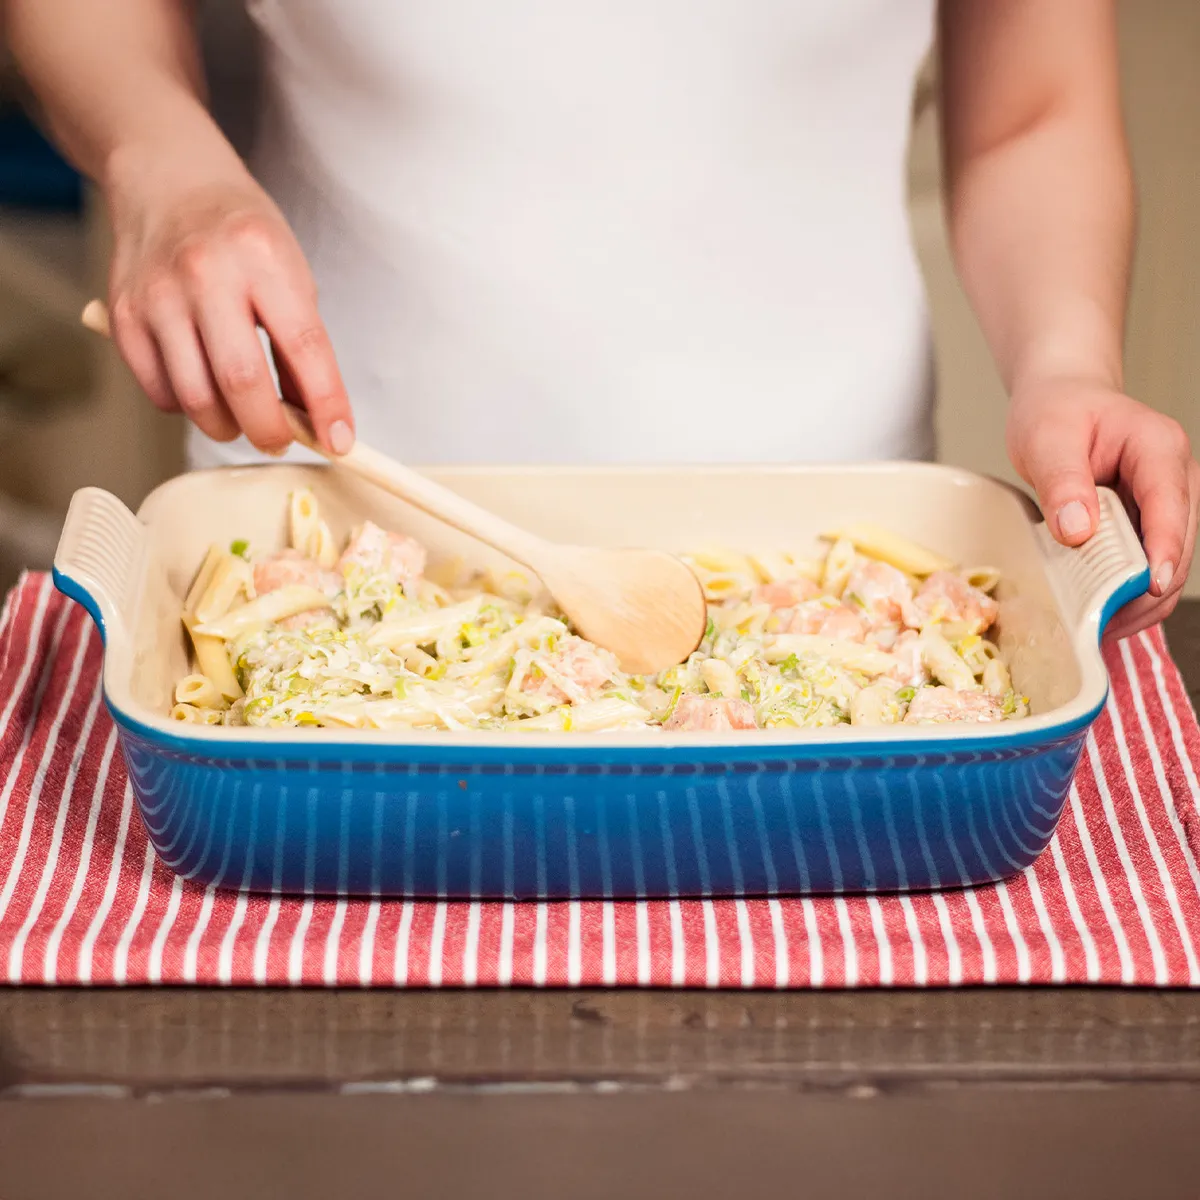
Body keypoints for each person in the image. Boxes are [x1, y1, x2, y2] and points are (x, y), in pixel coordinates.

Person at [8, 0, 1197, 638]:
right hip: (317, 544)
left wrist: (1064, 363)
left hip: (835, 576)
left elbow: (1032, 114)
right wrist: (159, 160)